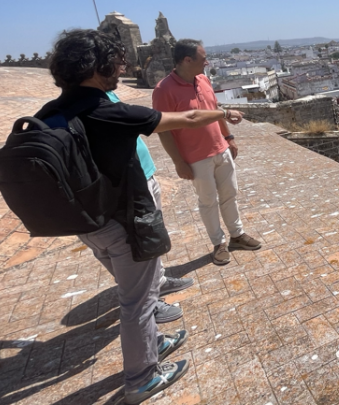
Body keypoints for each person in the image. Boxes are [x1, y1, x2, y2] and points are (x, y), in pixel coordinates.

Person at [44, 29, 245, 404]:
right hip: (120, 220)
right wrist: (224, 113)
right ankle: (142, 378)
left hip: (86, 223)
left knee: (140, 290)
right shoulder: (105, 110)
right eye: (114, 64)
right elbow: (185, 118)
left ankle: (154, 343)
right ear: (96, 68)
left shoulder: (52, 111)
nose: (120, 69)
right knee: (137, 302)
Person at [153, 39, 261, 265]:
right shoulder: (164, 90)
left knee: (230, 194)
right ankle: (218, 243)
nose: (207, 62)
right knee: (208, 201)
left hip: (220, 149)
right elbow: (163, 131)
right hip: (196, 157)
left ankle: (237, 235)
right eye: (203, 58)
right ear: (187, 60)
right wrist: (178, 162)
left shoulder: (203, 80)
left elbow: (214, 110)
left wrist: (228, 137)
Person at [106, 90, 194, 323]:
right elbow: (168, 121)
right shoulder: (95, 106)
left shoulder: (107, 95)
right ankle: (149, 303)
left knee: (150, 241)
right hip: (128, 187)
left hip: (142, 176)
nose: (123, 67)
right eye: (118, 61)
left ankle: (159, 283)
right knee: (138, 246)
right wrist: (222, 113)